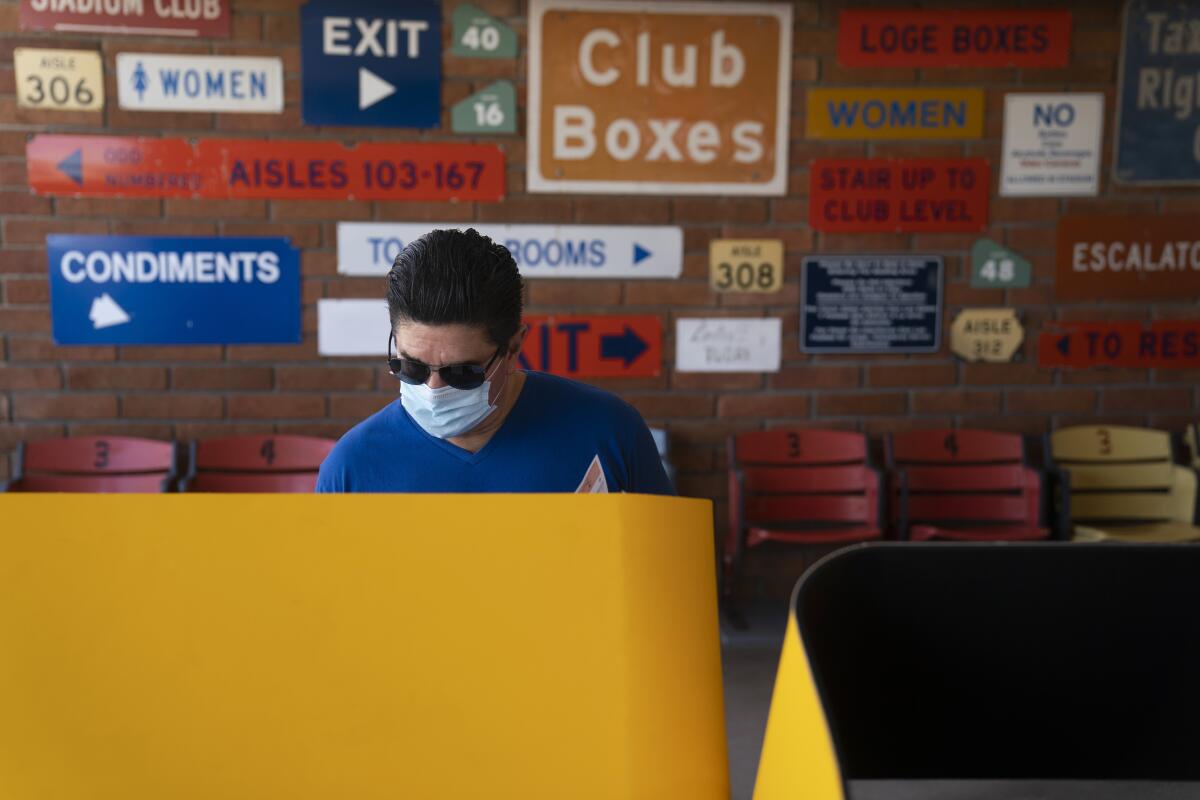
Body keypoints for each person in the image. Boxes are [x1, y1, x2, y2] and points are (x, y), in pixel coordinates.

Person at [316, 228, 673, 495]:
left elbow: (665, 578)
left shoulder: (608, 432)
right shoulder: (354, 467)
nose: (433, 390)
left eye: (462, 372)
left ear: (514, 347)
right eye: (411, 367)